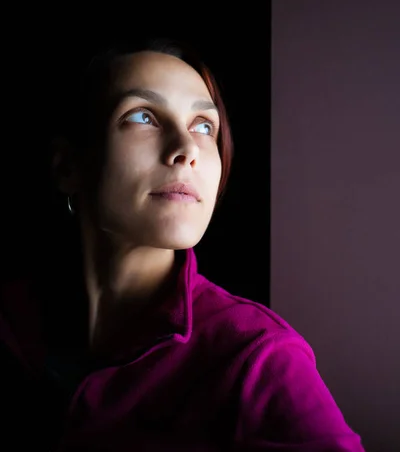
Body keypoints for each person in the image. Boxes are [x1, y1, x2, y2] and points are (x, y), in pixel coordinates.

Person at [0, 36, 366, 451]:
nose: (186, 148)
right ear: (68, 166)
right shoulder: (13, 321)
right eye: (142, 117)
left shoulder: (258, 359)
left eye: (204, 126)